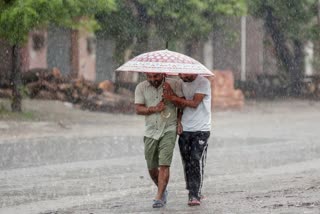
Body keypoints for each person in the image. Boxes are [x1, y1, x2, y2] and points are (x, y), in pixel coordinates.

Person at [134, 72, 183, 208]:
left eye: (155, 76)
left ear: (162, 74)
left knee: (164, 164)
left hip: (169, 128)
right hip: (150, 131)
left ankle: (159, 196)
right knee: (151, 166)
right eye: (149, 77)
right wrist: (154, 108)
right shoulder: (141, 87)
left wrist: (171, 96)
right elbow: (138, 109)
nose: (152, 79)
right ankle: (162, 189)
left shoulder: (174, 83)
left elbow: (182, 105)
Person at [162, 73, 211, 206]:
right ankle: (192, 189)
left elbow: (194, 103)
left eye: (184, 74)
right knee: (187, 161)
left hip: (201, 129)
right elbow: (180, 106)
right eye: (180, 74)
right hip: (185, 129)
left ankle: (195, 194)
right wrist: (178, 122)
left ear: (192, 72)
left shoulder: (203, 82)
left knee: (196, 159)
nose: (181, 75)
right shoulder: (180, 83)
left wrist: (172, 97)